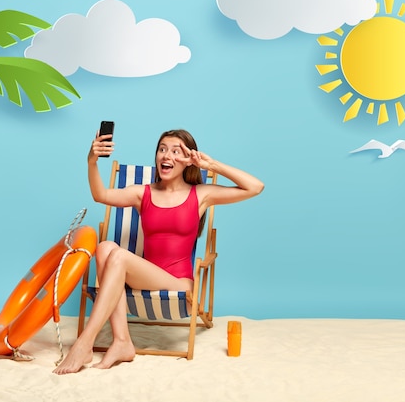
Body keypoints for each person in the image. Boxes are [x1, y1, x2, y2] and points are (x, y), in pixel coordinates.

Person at [53, 129, 264, 375]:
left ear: (188, 160)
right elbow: (101, 195)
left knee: (118, 255)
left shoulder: (201, 194)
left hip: (179, 284)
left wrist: (211, 164)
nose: (167, 155)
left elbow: (255, 187)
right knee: (105, 248)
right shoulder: (143, 194)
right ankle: (122, 341)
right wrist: (92, 161)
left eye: (177, 151)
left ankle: (84, 343)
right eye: (162, 149)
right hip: (145, 277)